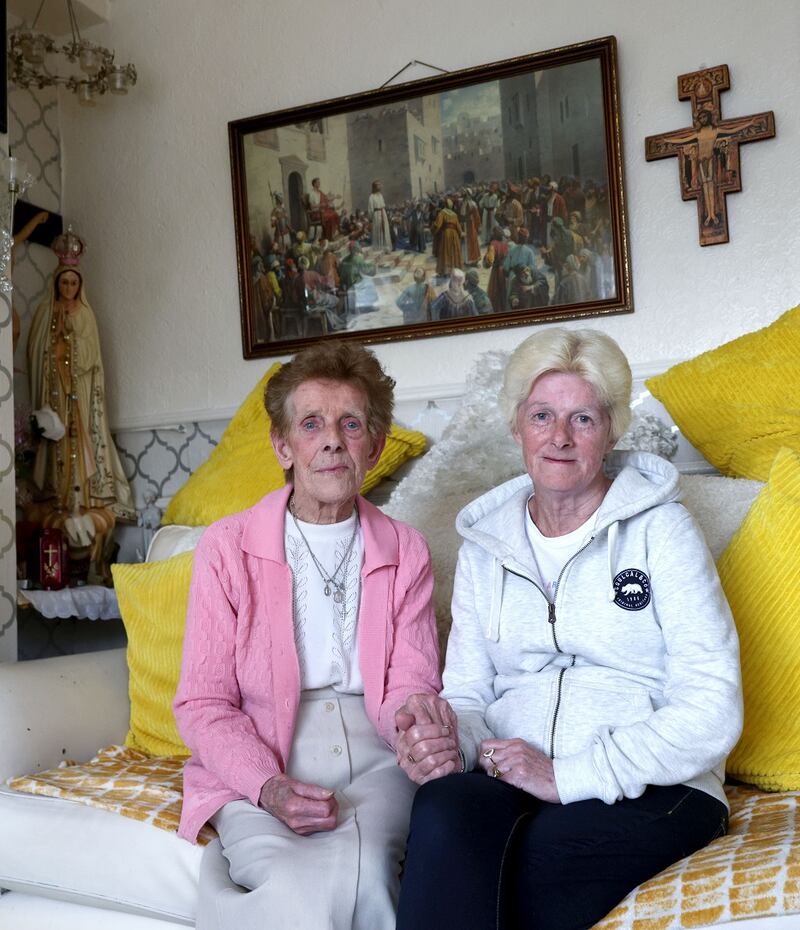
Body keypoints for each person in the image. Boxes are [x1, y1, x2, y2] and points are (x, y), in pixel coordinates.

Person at [394, 328, 743, 930]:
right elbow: (469, 695)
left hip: (655, 783)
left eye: (582, 418)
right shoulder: (485, 547)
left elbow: (712, 707)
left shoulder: (662, 531)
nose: (559, 437)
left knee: (529, 868)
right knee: (444, 812)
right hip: (511, 776)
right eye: (541, 416)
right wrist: (451, 741)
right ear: (516, 427)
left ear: (611, 431)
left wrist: (567, 776)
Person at [174, 341, 445, 930]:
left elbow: (412, 679)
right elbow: (203, 702)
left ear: (373, 446)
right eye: (311, 424)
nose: (332, 441)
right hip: (261, 752)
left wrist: (413, 727)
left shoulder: (406, 549)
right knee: (293, 885)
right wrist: (266, 784)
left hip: (378, 757)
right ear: (283, 446)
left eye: (351, 424)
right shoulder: (226, 548)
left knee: (368, 872)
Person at [26, 229, 135, 526]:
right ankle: (57, 497)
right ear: (57, 283)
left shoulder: (85, 314)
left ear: (80, 285)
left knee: (79, 438)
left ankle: (82, 497)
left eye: (74, 283)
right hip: (54, 389)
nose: (69, 288)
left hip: (80, 390)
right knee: (55, 439)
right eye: (65, 282)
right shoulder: (45, 311)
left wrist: (69, 341)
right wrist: (54, 345)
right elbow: (35, 350)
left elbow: (91, 355)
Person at [368, 179, 393, 251]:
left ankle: (386, 247)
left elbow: (383, 205)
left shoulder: (380, 195)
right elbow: (370, 209)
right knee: (378, 230)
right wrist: (371, 219)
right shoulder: (371, 197)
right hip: (376, 214)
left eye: (380, 184)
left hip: (383, 213)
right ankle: (379, 248)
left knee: (384, 229)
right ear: (375, 187)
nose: (380, 186)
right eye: (378, 185)